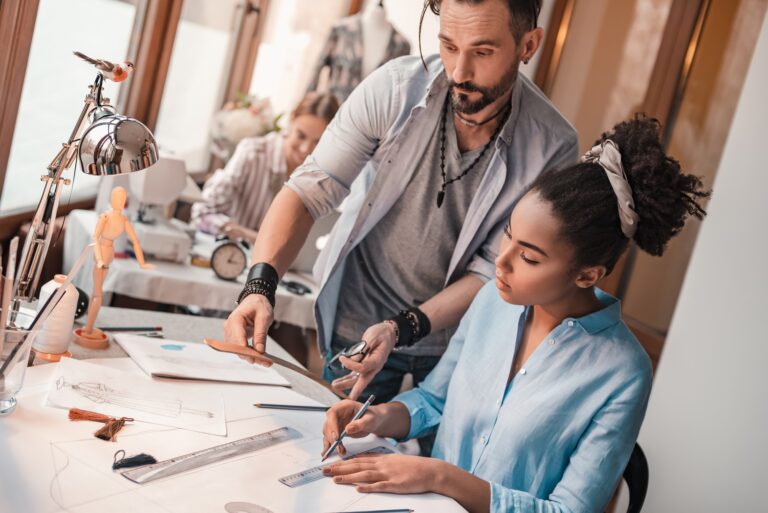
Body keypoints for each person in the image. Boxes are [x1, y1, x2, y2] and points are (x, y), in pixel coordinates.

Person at [320, 116, 710, 512]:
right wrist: (379, 417)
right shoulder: (491, 301)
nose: (500, 263)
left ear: (588, 274)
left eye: (528, 257)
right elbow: (436, 401)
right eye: (508, 235)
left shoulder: (624, 372)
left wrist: (440, 477)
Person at [225, 0, 578, 406]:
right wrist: (258, 285)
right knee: (332, 456)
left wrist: (402, 327)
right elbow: (308, 191)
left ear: (529, 45)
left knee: (428, 465)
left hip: (458, 344)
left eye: (482, 52)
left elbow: (492, 269)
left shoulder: (553, 147)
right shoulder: (393, 89)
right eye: (448, 45)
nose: (459, 72)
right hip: (359, 321)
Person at [191, 92, 340, 243]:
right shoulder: (253, 153)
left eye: (317, 142)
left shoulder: (323, 177)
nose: (305, 148)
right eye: (300, 135)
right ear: (291, 121)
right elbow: (203, 212)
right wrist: (243, 234)